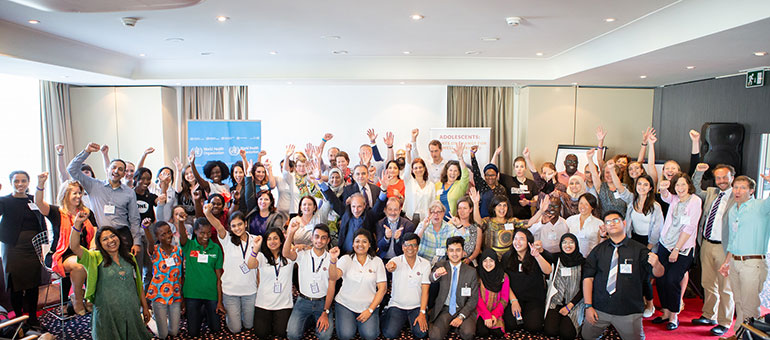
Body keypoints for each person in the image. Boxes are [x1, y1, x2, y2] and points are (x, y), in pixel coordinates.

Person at [582, 210, 665, 340]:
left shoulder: (639, 249)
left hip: (628, 311)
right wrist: (588, 306)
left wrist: (657, 264)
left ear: (624, 223)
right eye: (608, 222)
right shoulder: (599, 250)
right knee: (586, 336)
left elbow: (658, 273)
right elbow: (588, 278)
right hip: (600, 309)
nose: (612, 224)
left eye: (615, 220)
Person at [69, 221, 152, 339]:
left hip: (131, 310)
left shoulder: (130, 257)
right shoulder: (94, 258)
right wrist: (77, 223)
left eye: (113, 236)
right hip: (108, 314)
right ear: (100, 244)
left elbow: (138, 285)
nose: (111, 241)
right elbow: (74, 246)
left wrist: (145, 307)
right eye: (105, 239)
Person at [67, 143, 143, 263]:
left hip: (123, 234)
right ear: (108, 169)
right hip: (102, 235)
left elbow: (134, 219)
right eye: (113, 167)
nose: (116, 171)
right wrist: (86, 151)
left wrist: (137, 242)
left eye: (120, 169)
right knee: (105, 271)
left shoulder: (129, 193)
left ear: (124, 174)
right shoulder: (93, 185)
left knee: (126, 270)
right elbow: (71, 169)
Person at [35, 173, 97, 315]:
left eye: (80, 193)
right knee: (79, 265)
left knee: (92, 261)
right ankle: (77, 298)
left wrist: (93, 247)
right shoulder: (57, 212)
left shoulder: (87, 212)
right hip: (60, 254)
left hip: (83, 252)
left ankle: (89, 297)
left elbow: (94, 232)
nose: (78, 196)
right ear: (65, 194)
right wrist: (41, 184)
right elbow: (38, 203)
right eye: (74, 193)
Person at [719, 175, 770, 325]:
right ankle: (740, 334)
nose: (738, 191)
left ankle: (751, 335)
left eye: (742, 188)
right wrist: (726, 262)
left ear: (752, 191)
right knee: (739, 302)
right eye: (735, 187)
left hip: (753, 263)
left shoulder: (760, 206)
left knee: (750, 306)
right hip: (735, 262)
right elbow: (733, 240)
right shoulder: (733, 209)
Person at [690, 163, 735, 335]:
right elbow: (694, 189)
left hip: (725, 247)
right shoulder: (711, 193)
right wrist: (699, 172)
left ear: (732, 177)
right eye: (718, 177)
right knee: (708, 283)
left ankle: (725, 322)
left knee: (725, 287)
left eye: (725, 177)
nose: (722, 181)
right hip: (706, 243)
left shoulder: (736, 196)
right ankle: (709, 315)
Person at [0, 171, 46, 328]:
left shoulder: (34, 200)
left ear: (28, 182)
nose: (20, 184)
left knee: (33, 284)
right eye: (16, 181)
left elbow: (42, 220)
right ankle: (19, 320)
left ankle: (33, 318)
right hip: (12, 248)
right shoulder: (4, 200)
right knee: (15, 285)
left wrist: (45, 245)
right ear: (10, 182)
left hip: (33, 248)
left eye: (23, 181)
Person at [655, 173, 702, 330]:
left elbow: (689, 227)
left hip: (682, 248)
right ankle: (666, 312)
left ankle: (674, 315)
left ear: (689, 184)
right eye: (677, 185)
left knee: (672, 280)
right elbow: (666, 197)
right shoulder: (674, 198)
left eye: (683, 184)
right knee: (660, 279)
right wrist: (663, 189)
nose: (680, 188)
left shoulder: (695, 201)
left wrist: (676, 249)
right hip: (665, 244)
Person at [204, 205, 257, 334]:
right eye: (233, 226)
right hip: (230, 291)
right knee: (235, 329)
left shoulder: (255, 240)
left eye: (240, 224)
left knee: (249, 325)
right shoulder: (227, 239)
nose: (237, 228)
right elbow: (218, 226)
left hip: (249, 291)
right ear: (230, 227)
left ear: (245, 224)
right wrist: (208, 213)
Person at [329, 229, 387, 340]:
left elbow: (382, 289)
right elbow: (333, 277)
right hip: (345, 304)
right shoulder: (346, 259)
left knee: (370, 335)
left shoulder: (377, 261)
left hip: (368, 306)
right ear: (353, 244)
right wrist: (333, 260)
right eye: (357, 241)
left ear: (369, 244)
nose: (360, 244)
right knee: (346, 335)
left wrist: (370, 310)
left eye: (364, 241)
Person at [284, 223, 336, 340]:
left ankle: (314, 319)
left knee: (325, 336)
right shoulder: (302, 254)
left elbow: (332, 287)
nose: (319, 240)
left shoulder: (331, 258)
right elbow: (286, 253)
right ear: (311, 238)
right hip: (303, 301)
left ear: (328, 240)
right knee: (292, 335)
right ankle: (311, 320)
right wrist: (291, 233)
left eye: (323, 238)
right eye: (316, 237)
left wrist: (325, 311)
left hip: (322, 302)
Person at [624, 174, 664, 317]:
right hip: (633, 241)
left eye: (645, 185)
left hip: (649, 243)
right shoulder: (631, 204)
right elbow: (628, 225)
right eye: (639, 184)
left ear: (651, 188)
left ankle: (650, 304)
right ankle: (637, 301)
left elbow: (657, 229)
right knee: (634, 274)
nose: (642, 187)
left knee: (645, 276)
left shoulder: (655, 206)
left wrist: (649, 247)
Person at [246, 227, 295, 340]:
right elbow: (250, 265)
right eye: (269, 239)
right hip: (264, 303)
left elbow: (301, 252)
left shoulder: (288, 256)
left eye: (275, 238)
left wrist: (302, 246)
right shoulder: (262, 256)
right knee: (261, 334)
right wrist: (256, 249)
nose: (272, 242)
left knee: (281, 332)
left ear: (281, 240)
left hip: (283, 304)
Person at [319, 177, 387, 254]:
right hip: (345, 254)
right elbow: (332, 199)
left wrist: (384, 190)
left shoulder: (369, 215)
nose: (356, 210)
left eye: (359, 206)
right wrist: (320, 180)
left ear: (364, 206)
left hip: (365, 255)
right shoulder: (345, 212)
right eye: (353, 206)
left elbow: (379, 204)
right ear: (350, 205)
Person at [179, 217, 224, 337]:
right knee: (193, 333)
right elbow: (183, 237)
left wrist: (219, 301)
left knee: (216, 330)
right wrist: (180, 222)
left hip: (211, 294)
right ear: (195, 231)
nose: (206, 235)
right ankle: (201, 312)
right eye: (202, 232)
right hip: (192, 294)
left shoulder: (216, 248)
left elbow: (219, 277)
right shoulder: (189, 246)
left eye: (208, 232)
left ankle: (205, 312)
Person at [428, 236, 478, 340]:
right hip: (445, 308)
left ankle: (456, 326)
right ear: (447, 252)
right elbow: (432, 278)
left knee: (468, 333)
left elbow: (473, 299)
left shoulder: (471, 271)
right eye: (451, 250)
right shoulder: (440, 265)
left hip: (463, 308)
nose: (454, 254)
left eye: (458, 250)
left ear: (463, 252)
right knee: (434, 336)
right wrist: (436, 274)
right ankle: (450, 326)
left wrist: (461, 316)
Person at [382, 233, 431, 339]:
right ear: (403, 247)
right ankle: (389, 314)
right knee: (389, 334)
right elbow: (390, 267)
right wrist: (390, 267)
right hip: (397, 305)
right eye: (407, 245)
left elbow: (425, 290)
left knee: (421, 333)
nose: (410, 248)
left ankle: (408, 320)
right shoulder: (395, 261)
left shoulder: (425, 264)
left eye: (413, 245)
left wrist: (422, 312)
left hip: (417, 307)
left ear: (418, 247)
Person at [502, 228, 552, 333]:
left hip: (534, 298)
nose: (517, 242)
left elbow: (548, 271)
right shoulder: (507, 257)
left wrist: (537, 256)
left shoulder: (535, 255)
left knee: (533, 327)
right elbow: (504, 282)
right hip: (515, 297)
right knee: (511, 325)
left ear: (529, 242)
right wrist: (514, 301)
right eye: (515, 239)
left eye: (521, 239)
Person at [144, 221, 183, 339]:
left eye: (169, 232)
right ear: (157, 237)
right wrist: (146, 228)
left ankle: (161, 320)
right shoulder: (154, 251)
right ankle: (150, 321)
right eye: (163, 234)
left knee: (174, 332)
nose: (167, 236)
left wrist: (183, 294)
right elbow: (150, 242)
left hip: (175, 294)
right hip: (158, 295)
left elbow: (181, 274)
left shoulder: (178, 250)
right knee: (163, 335)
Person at [544, 233, 585, 339]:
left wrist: (570, 306)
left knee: (566, 334)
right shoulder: (557, 258)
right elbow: (544, 254)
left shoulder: (583, 262)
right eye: (564, 242)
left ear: (576, 244)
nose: (568, 245)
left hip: (574, 303)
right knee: (550, 331)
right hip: (556, 301)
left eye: (571, 242)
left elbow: (584, 288)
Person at [472, 193, 525, 259]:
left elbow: (528, 223)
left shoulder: (512, 221)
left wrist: (540, 211)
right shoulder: (488, 221)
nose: (502, 208)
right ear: (494, 208)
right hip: (490, 260)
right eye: (499, 205)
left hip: (508, 259)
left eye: (504, 205)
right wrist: (475, 203)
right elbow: (478, 222)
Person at [243, 164, 288, 235]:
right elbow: (248, 195)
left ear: (271, 202)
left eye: (266, 199)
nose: (263, 201)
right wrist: (248, 173)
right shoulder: (252, 214)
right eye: (260, 199)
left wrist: (269, 169)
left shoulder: (276, 217)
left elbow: (277, 235)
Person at [475, 249, 510, 338]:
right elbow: (477, 298)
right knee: (483, 332)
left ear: (496, 262)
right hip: (480, 311)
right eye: (485, 261)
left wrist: (494, 315)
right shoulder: (478, 276)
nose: (488, 263)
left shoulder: (503, 277)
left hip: (496, 310)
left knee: (498, 333)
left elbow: (504, 299)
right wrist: (487, 315)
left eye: (491, 261)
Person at [586, 148, 633, 214]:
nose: (609, 175)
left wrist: (611, 169)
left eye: (612, 172)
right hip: (605, 221)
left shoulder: (623, 187)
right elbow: (594, 174)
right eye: (607, 172)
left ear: (617, 174)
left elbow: (619, 186)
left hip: (621, 222)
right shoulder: (601, 187)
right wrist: (590, 159)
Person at [469, 145, 508, 218]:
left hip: (496, 220)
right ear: (484, 176)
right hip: (481, 219)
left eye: (492, 175)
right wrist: (472, 155)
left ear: (496, 176)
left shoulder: (501, 189)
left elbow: (505, 205)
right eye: (487, 175)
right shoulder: (481, 185)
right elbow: (476, 172)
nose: (490, 177)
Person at [435, 143, 470, 220]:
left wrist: (460, 157)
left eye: (455, 171)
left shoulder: (460, 185)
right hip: (438, 221)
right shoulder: (438, 185)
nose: (452, 173)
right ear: (446, 171)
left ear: (458, 174)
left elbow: (465, 174)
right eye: (450, 170)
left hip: (453, 221)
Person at [376, 197, 416, 262]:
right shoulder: (380, 224)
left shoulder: (408, 225)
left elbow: (409, 249)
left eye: (396, 209)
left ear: (400, 210)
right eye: (390, 209)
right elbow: (379, 247)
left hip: (401, 261)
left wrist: (398, 239)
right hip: (383, 260)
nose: (393, 212)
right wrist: (386, 238)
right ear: (385, 210)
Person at [403, 145, 436, 222]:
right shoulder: (409, 181)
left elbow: (433, 203)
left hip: (426, 219)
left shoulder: (431, 185)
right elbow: (407, 165)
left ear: (424, 168)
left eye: (420, 167)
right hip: (410, 217)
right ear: (412, 170)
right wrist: (408, 153)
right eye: (415, 168)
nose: (418, 170)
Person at [565, 193, 604, 257]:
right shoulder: (570, 220)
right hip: (572, 258)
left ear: (592, 207)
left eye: (586, 204)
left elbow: (601, 243)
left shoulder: (599, 223)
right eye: (581, 203)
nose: (582, 206)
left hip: (590, 258)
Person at [449, 195, 482, 265]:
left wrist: (470, 259)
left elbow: (477, 249)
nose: (462, 211)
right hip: (452, 259)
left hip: (469, 260)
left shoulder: (475, 227)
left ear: (470, 209)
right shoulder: (452, 223)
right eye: (459, 208)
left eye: (465, 208)